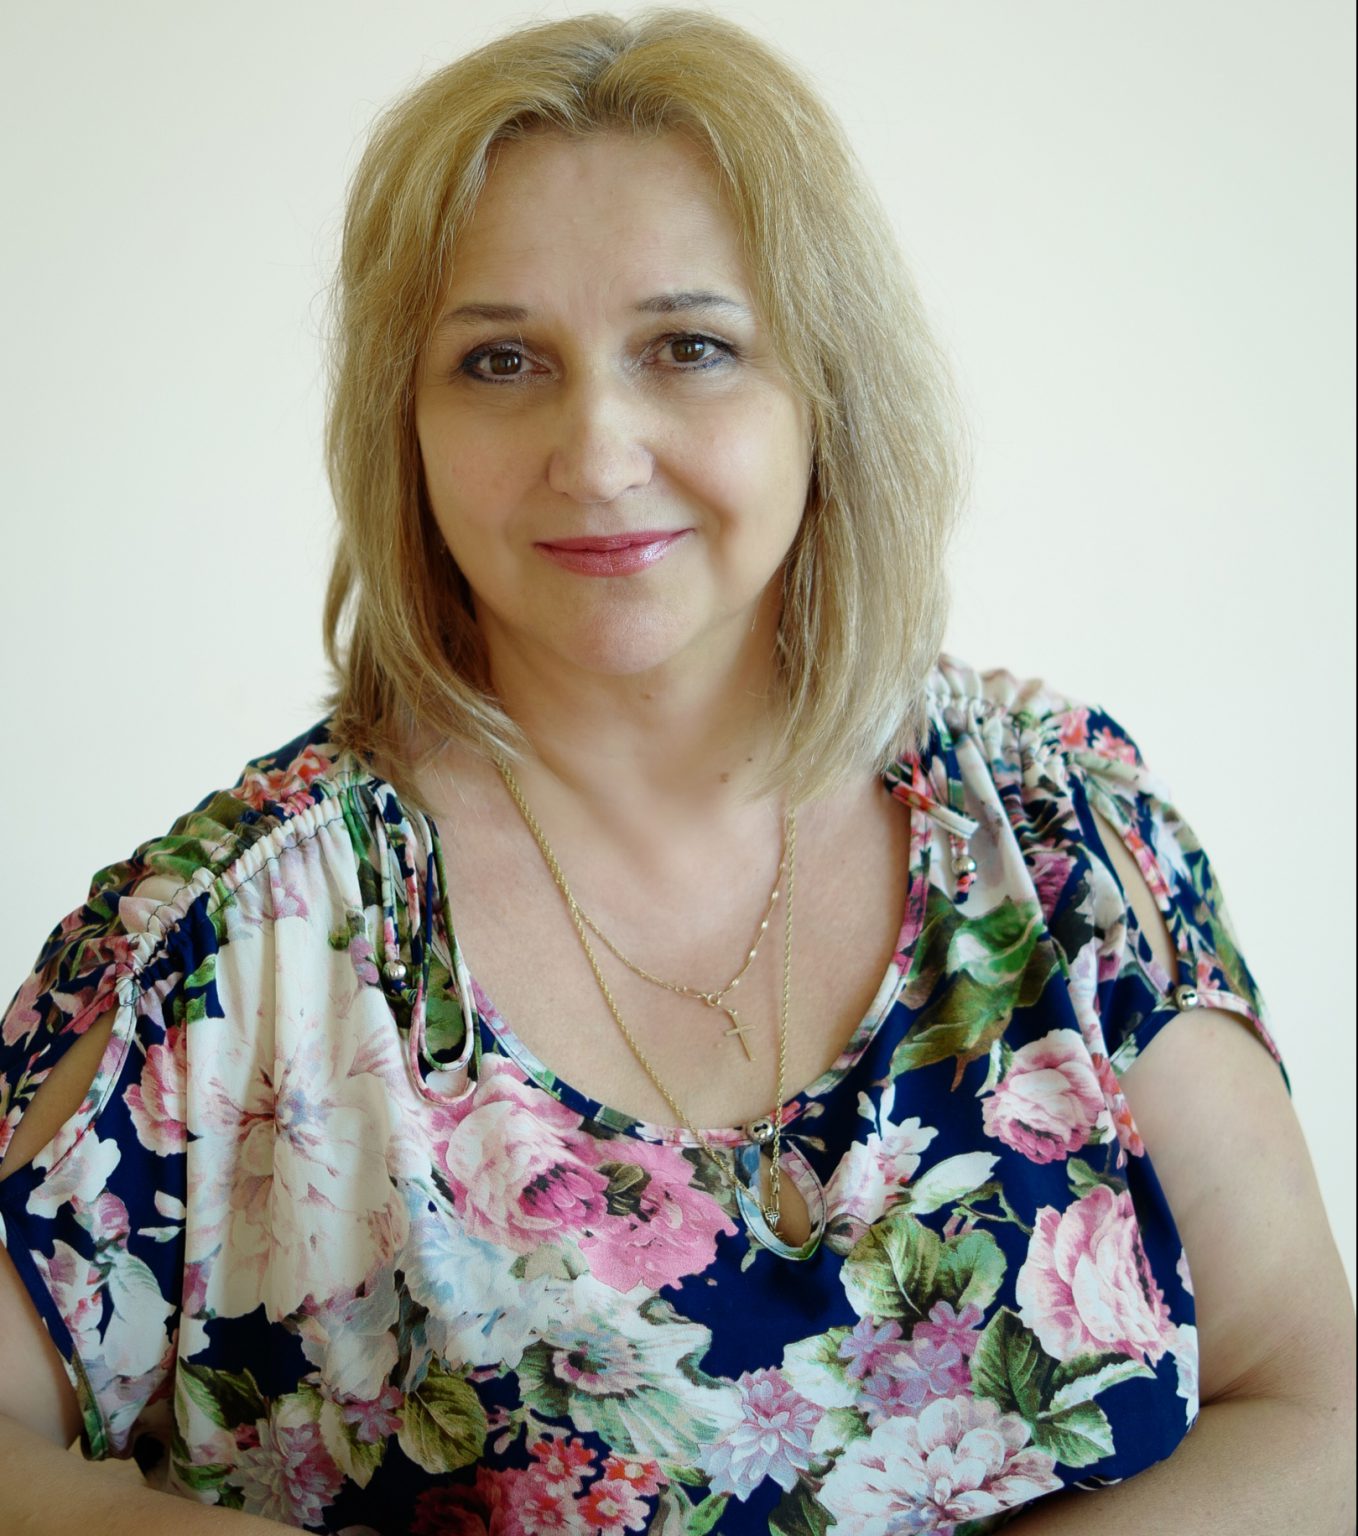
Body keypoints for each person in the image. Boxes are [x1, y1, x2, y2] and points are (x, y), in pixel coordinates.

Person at [0, 9, 1352, 1533]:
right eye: (498, 360)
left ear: (827, 387)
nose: (597, 450)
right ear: (405, 423)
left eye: (689, 347)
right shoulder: (224, 948)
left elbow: (1314, 1409)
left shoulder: (1054, 838)